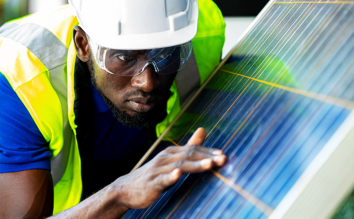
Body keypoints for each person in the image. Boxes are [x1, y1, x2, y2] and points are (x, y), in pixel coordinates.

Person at [0, 0, 227, 217]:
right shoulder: (20, 82)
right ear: (84, 45)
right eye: (124, 56)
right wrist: (119, 194)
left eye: (165, 54)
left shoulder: (195, 26)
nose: (147, 82)